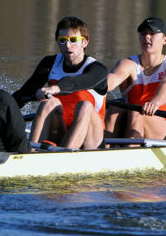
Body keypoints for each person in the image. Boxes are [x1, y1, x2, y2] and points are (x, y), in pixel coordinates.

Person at [13, 16, 108, 150]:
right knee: (50, 103)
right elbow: (23, 94)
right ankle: (31, 153)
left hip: (91, 138)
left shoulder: (98, 69)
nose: (67, 45)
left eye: (73, 40)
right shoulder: (49, 64)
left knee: (85, 106)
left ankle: (64, 157)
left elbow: (76, 82)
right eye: (62, 40)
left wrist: (55, 88)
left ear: (85, 42)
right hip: (61, 130)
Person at [105, 17, 166, 141]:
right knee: (114, 109)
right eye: (143, 34)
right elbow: (111, 80)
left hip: (164, 128)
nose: (147, 37)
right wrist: (93, 88)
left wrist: (155, 102)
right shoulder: (127, 64)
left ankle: (130, 152)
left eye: (152, 34)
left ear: (165, 40)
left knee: (137, 113)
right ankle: (105, 149)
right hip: (133, 119)